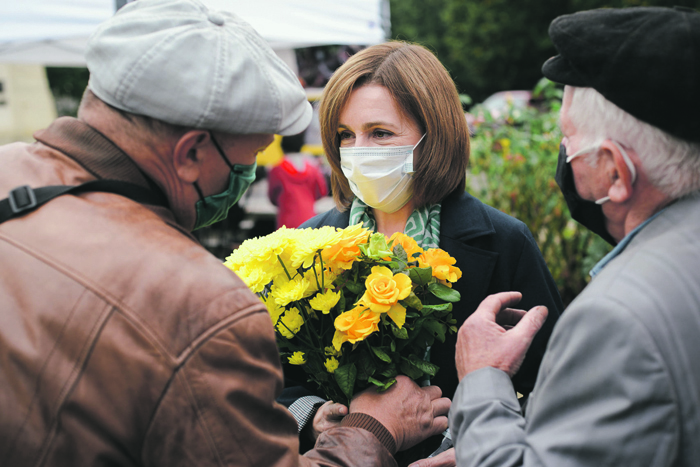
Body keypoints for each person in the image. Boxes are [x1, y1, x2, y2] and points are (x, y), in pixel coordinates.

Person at [0, 1, 452, 466]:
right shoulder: (200, 305)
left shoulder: (9, 173)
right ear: (191, 152)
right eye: (248, 156)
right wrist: (372, 429)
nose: (246, 176)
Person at [279, 41, 564, 464]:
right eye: (345, 135)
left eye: (380, 133)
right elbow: (280, 385)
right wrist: (316, 415)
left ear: (433, 135)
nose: (358, 150)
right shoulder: (307, 244)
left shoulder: (505, 241)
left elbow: (556, 388)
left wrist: (470, 450)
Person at [448, 6, 700, 467]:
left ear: (615, 172)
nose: (562, 155)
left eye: (568, 138)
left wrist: (484, 379)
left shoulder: (616, 318)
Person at [267, 132, 328, 228]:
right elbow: (322, 192)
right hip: (310, 220)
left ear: (282, 147)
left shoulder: (277, 170)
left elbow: (272, 197)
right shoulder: (313, 169)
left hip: (286, 222)